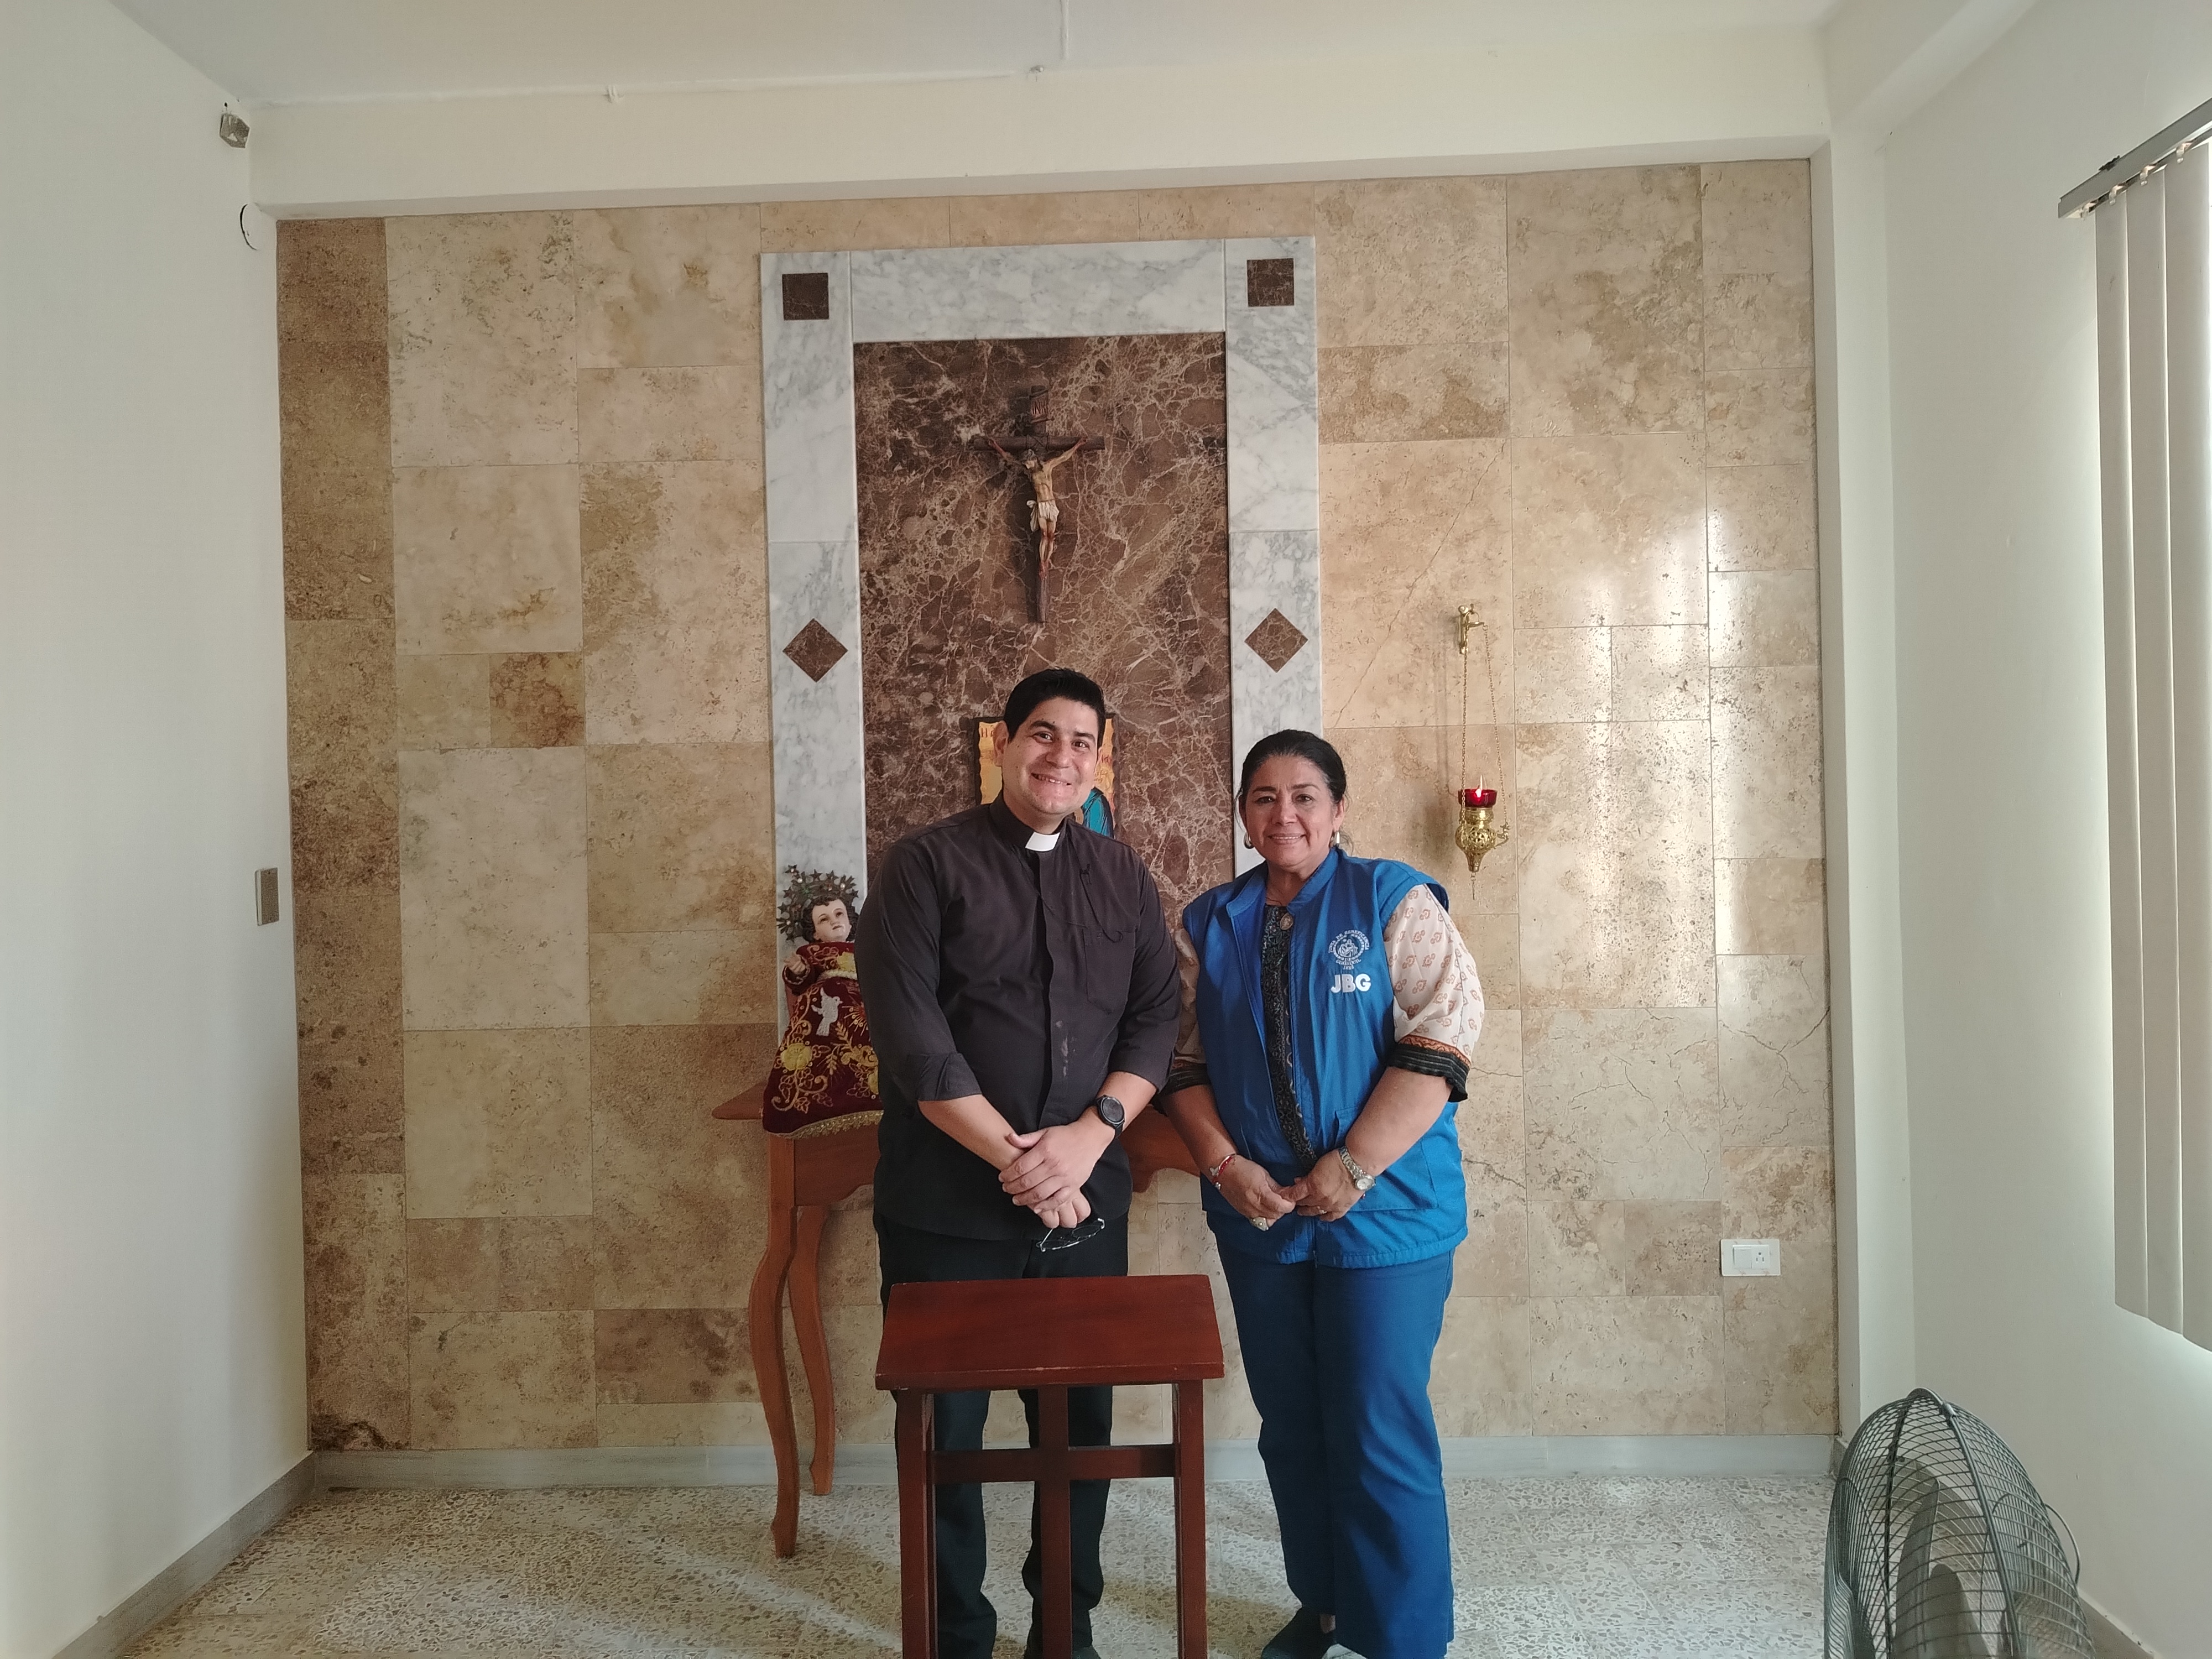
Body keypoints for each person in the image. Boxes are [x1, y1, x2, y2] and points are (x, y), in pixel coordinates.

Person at [855, 667, 1180, 1659]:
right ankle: (955, 1633)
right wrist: (1025, 1163)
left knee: (1076, 1439)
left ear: (1098, 760)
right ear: (1004, 742)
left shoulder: (1124, 877)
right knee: (943, 1438)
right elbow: (916, 1043)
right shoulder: (923, 866)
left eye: (1082, 742)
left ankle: (1065, 1632)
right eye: (1043, 734)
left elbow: (1156, 1018)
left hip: (1086, 1207)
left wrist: (1091, 1136)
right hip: (947, 1210)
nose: (1061, 757)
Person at [1161, 730, 1481, 1659]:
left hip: (1388, 1216)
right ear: (1242, 816)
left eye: (1305, 795)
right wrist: (1226, 1166)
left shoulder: (1392, 900)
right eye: (1264, 797)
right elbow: (1181, 1064)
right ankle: (1328, 1605)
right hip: (1263, 1220)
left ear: (1339, 810)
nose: (1285, 814)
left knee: (1377, 1428)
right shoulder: (1208, 924)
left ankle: (1404, 1641)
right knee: (1294, 1428)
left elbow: (1443, 1040)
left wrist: (1357, 1164)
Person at [761, 868, 879, 1139]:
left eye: (839, 914)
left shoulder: (866, 948)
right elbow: (801, 981)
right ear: (814, 932)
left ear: (850, 919)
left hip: (864, 1007)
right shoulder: (811, 952)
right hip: (828, 1012)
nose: (834, 922)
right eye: (824, 919)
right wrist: (799, 969)